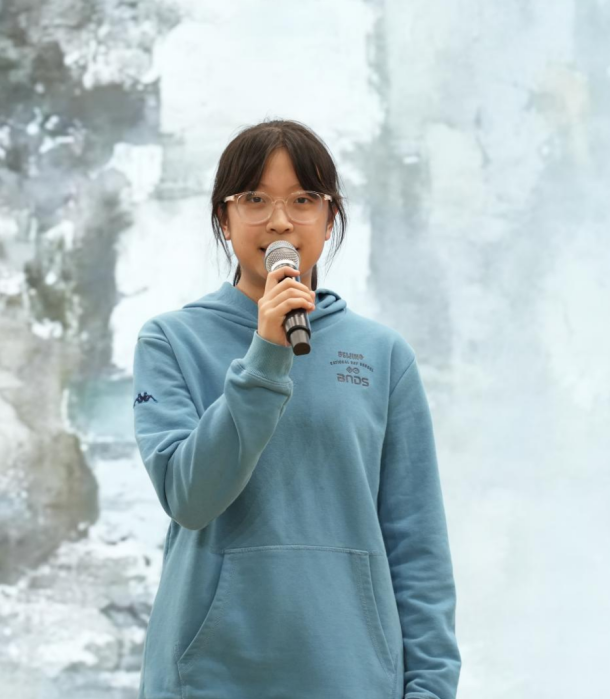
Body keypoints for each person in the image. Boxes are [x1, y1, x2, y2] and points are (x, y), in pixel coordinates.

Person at [131, 119, 460, 698]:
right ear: (224, 218)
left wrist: (431, 688)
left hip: (350, 676)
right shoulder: (170, 342)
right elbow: (189, 497)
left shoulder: (382, 355)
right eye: (255, 199)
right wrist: (265, 355)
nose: (280, 221)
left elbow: (417, 543)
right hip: (209, 680)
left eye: (303, 200)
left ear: (329, 219)